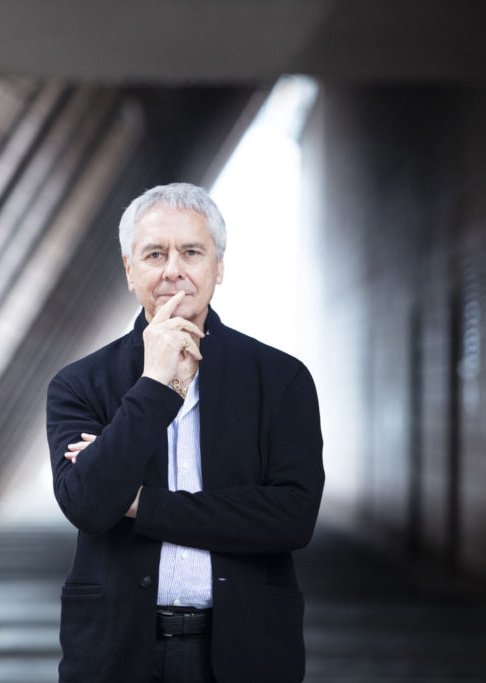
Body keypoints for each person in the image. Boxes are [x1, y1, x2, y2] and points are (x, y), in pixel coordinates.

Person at [46, 183, 324, 682]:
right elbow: (87, 504)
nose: (173, 269)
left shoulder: (282, 380)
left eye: (191, 252)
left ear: (218, 267)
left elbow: (291, 518)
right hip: (116, 652)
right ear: (131, 270)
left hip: (247, 650)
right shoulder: (79, 384)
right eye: (155, 254)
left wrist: (137, 503)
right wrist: (155, 385)